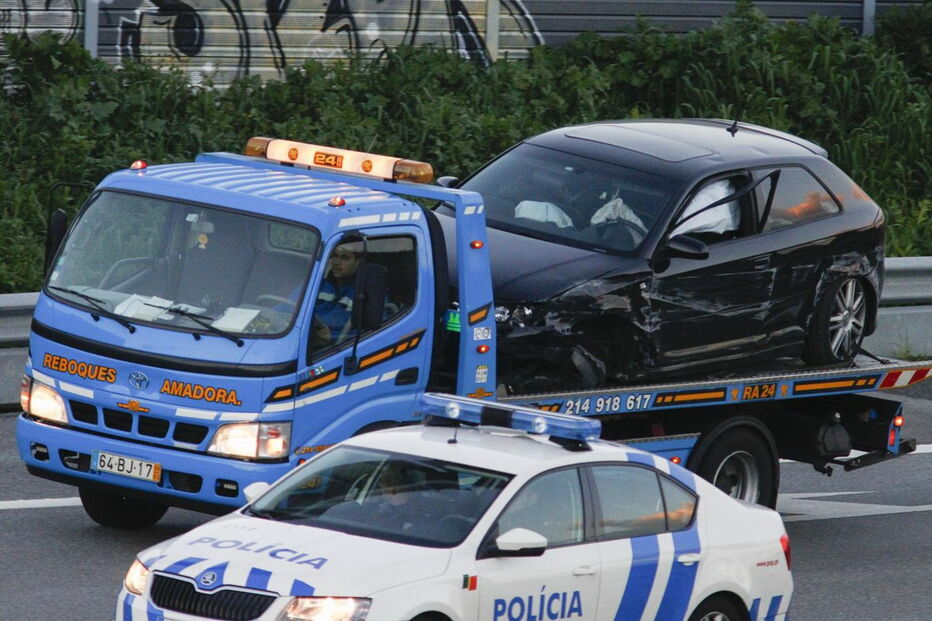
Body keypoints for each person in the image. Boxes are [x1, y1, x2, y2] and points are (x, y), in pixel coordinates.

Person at [312, 241, 363, 346]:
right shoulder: (316, 284)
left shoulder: (367, 293)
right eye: (334, 256)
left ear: (358, 262)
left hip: (334, 350)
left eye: (344, 258)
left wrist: (331, 337)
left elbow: (370, 333)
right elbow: (288, 306)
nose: (336, 262)